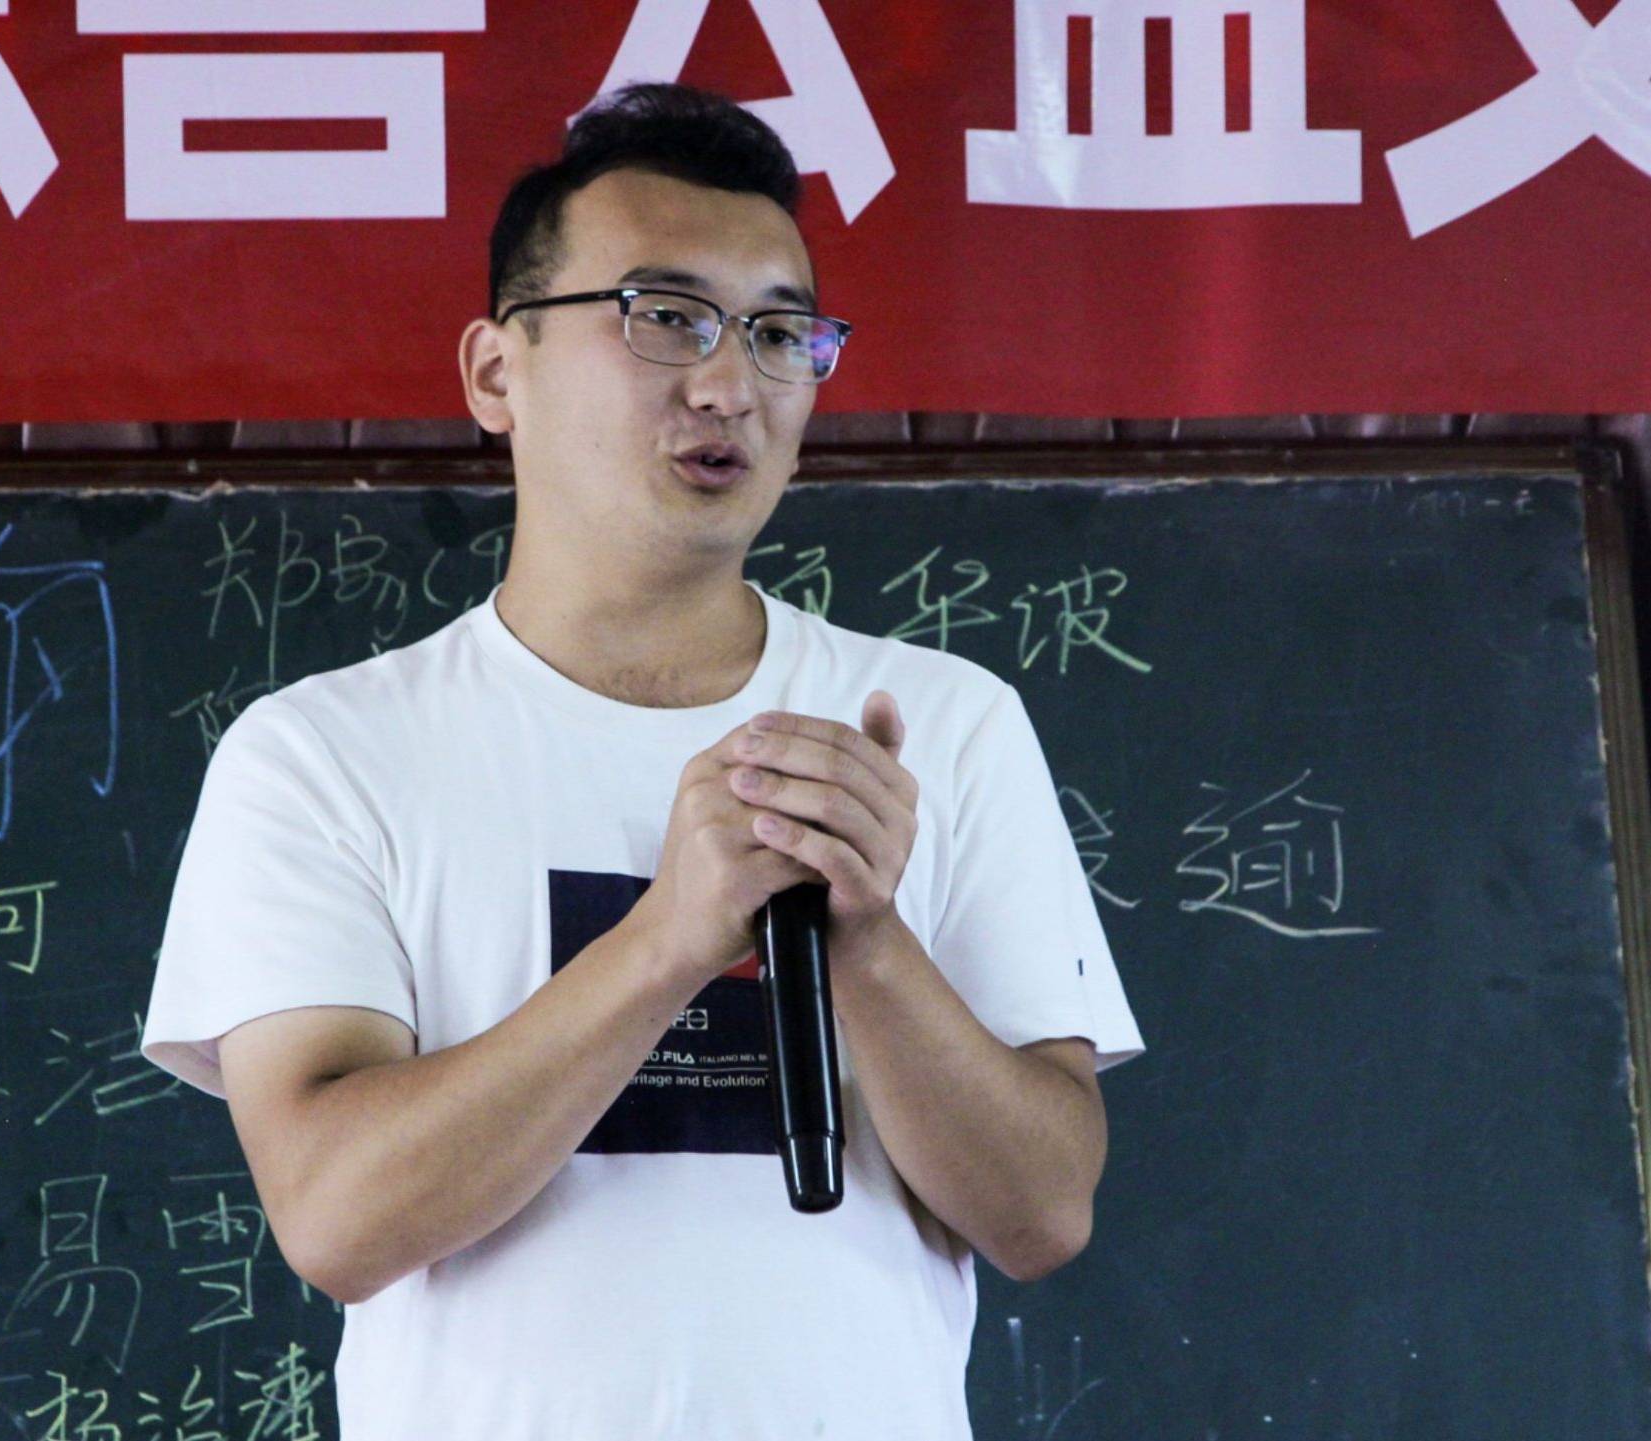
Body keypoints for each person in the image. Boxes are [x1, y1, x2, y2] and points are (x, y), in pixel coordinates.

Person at [140, 80, 1145, 1440]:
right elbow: (337, 1217)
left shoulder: (934, 722)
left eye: (781, 333)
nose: (730, 380)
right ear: (498, 373)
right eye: (663, 317)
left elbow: (1041, 1212)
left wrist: (867, 935)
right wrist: (669, 936)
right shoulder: (326, 752)